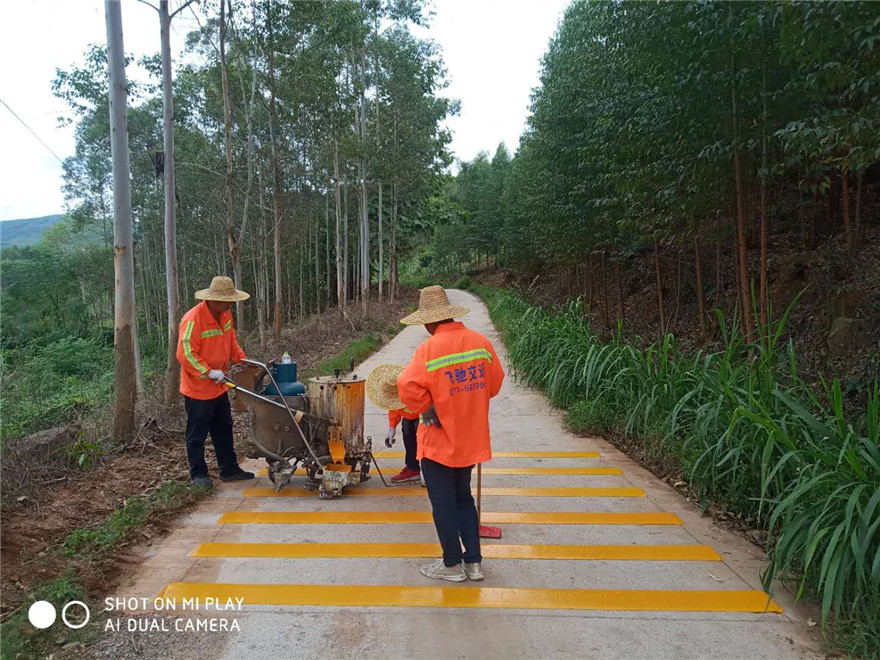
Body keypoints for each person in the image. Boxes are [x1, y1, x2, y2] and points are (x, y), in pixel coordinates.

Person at [397, 286, 505, 582]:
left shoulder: (429, 349)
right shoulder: (480, 343)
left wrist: (427, 406)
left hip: (439, 442)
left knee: (443, 503)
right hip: (470, 438)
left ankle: (451, 565)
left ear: (429, 322)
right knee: (463, 498)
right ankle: (474, 562)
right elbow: (494, 384)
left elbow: (405, 386)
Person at [176, 276, 255, 488]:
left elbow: (231, 341)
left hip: (219, 385)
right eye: (226, 301)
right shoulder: (193, 319)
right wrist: (208, 372)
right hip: (198, 388)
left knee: (223, 427)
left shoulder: (225, 314)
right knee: (197, 432)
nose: (230, 304)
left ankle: (229, 469)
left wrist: (244, 360)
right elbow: (185, 354)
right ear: (213, 299)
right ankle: (198, 474)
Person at [366, 365, 422, 483]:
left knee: (423, 438)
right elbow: (394, 409)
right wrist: (392, 428)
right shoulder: (395, 394)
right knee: (407, 428)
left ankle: (429, 472)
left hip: (427, 414)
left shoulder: (416, 389)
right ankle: (413, 468)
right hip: (412, 417)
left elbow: (427, 406)